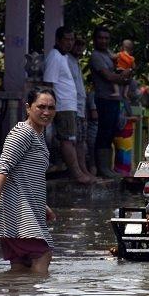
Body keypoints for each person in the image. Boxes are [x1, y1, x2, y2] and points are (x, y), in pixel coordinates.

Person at [0, 87, 58, 274]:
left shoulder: (38, 134)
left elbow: (26, 175)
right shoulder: (23, 132)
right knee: (43, 254)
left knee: (20, 264)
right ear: (28, 108)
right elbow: (3, 168)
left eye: (51, 108)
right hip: (15, 213)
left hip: (25, 209)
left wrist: (42, 205)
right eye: (41, 107)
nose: (46, 112)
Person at [43, 26, 93, 184]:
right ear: (58, 40)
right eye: (67, 39)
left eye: (72, 39)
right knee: (67, 140)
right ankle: (77, 174)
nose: (70, 43)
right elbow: (49, 83)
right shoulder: (55, 56)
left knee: (72, 140)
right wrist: (49, 107)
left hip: (70, 105)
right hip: (62, 105)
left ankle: (79, 172)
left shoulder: (64, 57)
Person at [90, 25, 131, 178]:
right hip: (104, 99)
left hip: (115, 100)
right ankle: (102, 168)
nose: (103, 41)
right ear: (95, 39)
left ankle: (107, 167)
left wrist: (126, 73)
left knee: (112, 133)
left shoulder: (109, 54)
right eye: (100, 37)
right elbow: (108, 76)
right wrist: (123, 76)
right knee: (104, 133)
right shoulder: (96, 56)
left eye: (106, 38)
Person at [66, 36, 96, 182]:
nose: (78, 47)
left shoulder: (76, 62)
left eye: (81, 45)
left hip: (80, 107)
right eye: (76, 44)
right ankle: (78, 171)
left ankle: (83, 169)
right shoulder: (66, 60)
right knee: (74, 140)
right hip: (71, 106)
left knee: (81, 141)